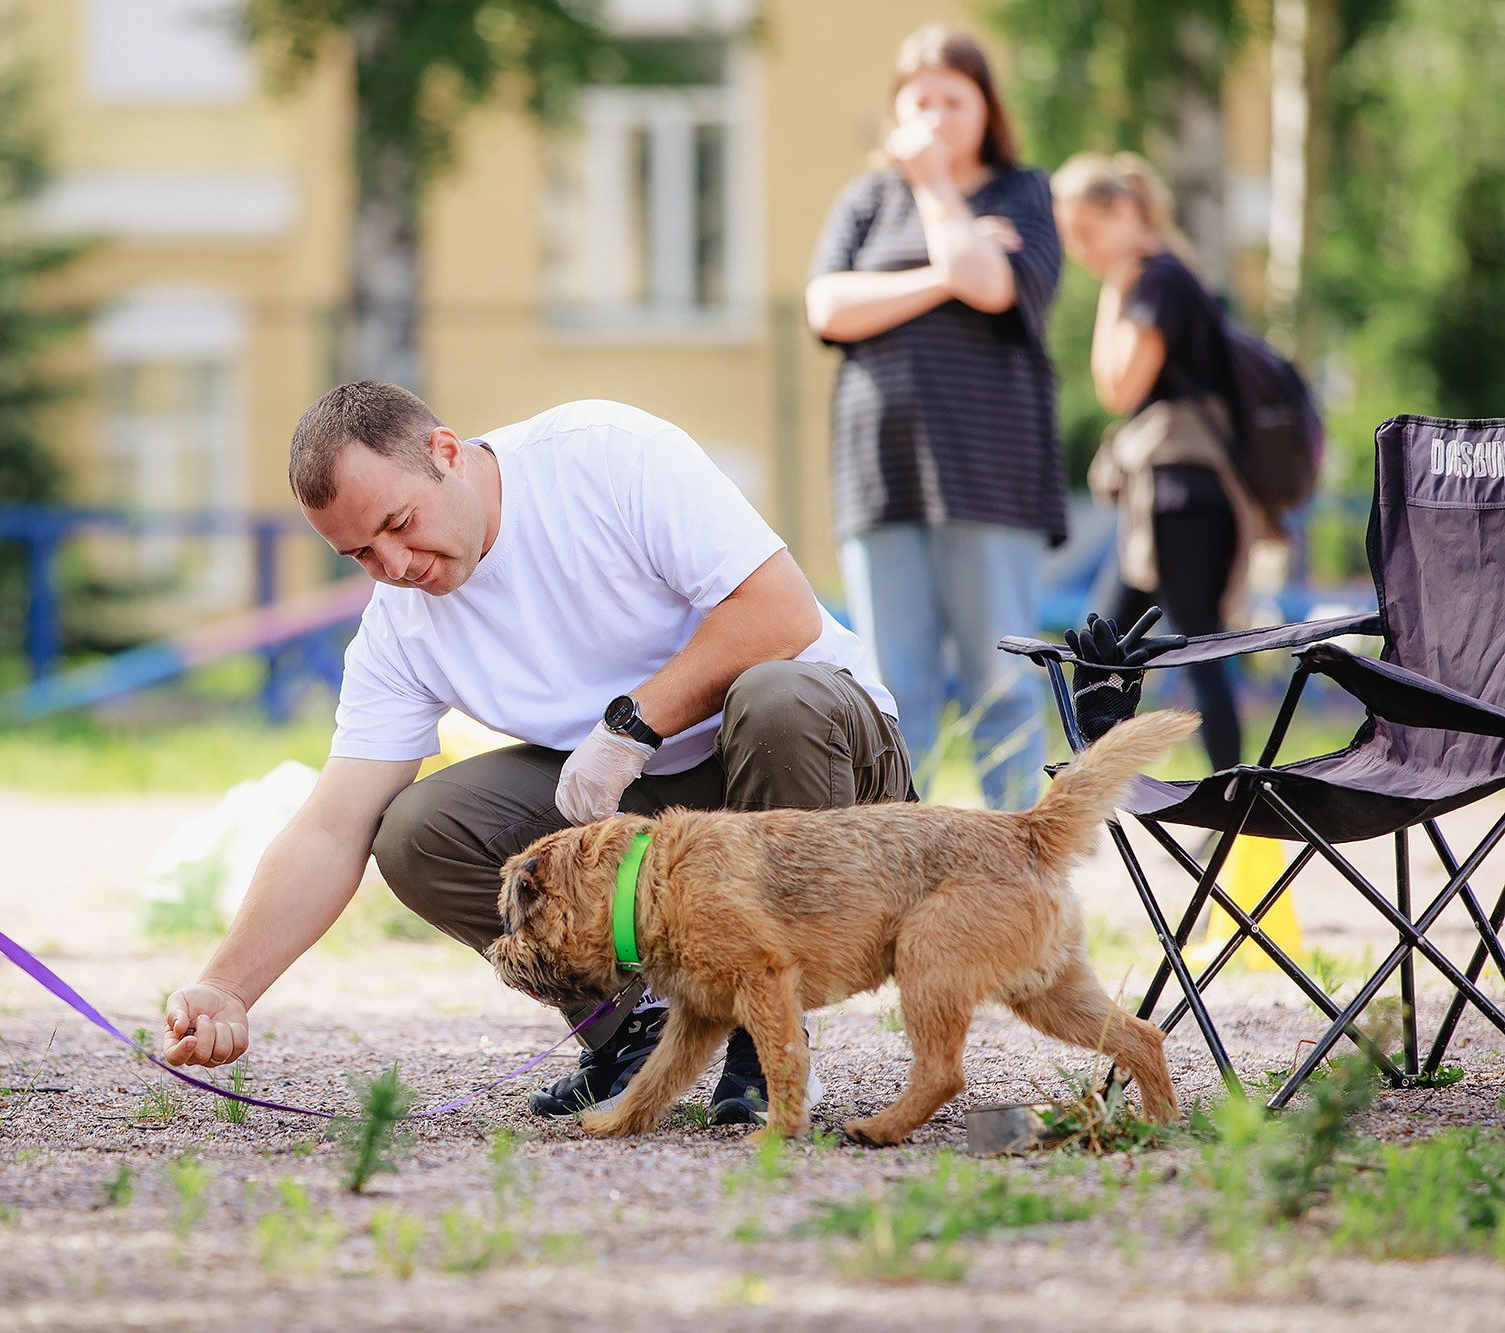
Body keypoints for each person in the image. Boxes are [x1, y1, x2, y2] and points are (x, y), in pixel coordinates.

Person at [161, 383, 911, 1125]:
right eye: (359, 552)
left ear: (445, 453)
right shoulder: (399, 628)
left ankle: (768, 1035)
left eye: (398, 522)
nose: (393, 564)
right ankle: (630, 1030)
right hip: (648, 808)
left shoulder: (605, 456)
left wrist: (629, 727)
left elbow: (781, 612)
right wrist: (226, 986)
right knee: (417, 829)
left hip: (820, 773)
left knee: (779, 697)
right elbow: (331, 827)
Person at [802, 24, 1066, 811]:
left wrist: (937, 190)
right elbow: (828, 305)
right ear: (896, 109)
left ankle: (1025, 866)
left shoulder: (1022, 191)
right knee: (892, 685)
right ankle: (890, 861)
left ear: (987, 108)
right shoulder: (864, 199)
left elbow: (990, 286)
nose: (938, 117)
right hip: (880, 473)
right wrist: (941, 272)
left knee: (1001, 679)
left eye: (955, 99)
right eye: (921, 101)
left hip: (992, 474)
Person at [1051, 151, 1267, 773]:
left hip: (1185, 497)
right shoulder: (1172, 276)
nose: (1081, 252)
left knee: (1195, 652)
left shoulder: (1157, 281)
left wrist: (1114, 287)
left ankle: (1233, 800)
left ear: (1125, 212)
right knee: (1104, 643)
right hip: (1170, 497)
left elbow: (1115, 388)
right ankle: (1101, 789)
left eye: (1085, 233)